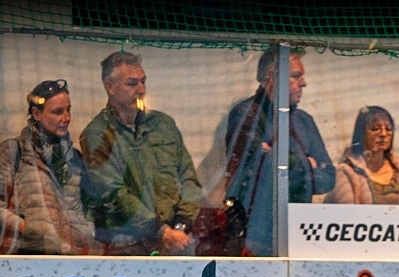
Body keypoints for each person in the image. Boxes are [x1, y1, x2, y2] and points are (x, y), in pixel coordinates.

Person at [80, 52, 200, 256]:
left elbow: (188, 177)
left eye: (143, 82)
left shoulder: (163, 125)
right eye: (132, 83)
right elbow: (112, 195)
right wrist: (161, 231)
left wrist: (181, 224)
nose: (141, 90)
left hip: (177, 240)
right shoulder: (98, 135)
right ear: (110, 86)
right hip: (127, 245)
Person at [224, 48, 335, 256]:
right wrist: (306, 164)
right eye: (296, 76)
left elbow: (328, 178)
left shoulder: (305, 122)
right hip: (254, 237)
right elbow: (262, 166)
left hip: (299, 235)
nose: (304, 83)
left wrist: (280, 160)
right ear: (273, 77)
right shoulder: (247, 115)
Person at [0, 79, 94, 255]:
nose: (66, 118)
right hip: (27, 256)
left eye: (68, 110)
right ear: (36, 113)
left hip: (73, 257)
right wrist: (25, 227)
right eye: (58, 112)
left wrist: (87, 233)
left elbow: (89, 206)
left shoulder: (74, 158)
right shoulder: (14, 151)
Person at [323, 105, 399, 205]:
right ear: (361, 133)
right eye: (375, 128)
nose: (383, 134)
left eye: (388, 129)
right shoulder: (346, 172)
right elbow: (348, 216)